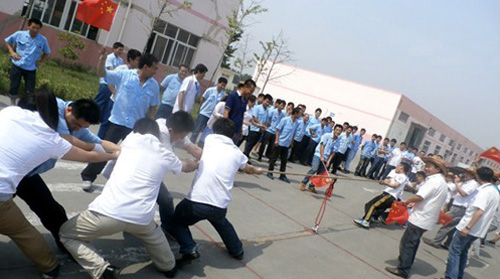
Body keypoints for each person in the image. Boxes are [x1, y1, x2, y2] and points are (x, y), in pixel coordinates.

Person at [0, 89, 119, 279]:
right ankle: (50, 267)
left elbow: (96, 141)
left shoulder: (12, 112)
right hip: (11, 176)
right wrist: (113, 156)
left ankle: (68, 244)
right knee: (22, 229)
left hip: (27, 174)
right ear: (68, 109)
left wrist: (123, 150)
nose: (77, 129)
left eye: (82, 127)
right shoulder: (52, 130)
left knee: (52, 210)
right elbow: (86, 150)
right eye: (75, 125)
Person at [60, 118, 198, 279]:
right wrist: (196, 163)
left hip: (107, 213)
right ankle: (169, 267)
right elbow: (186, 166)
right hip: (142, 219)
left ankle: (103, 270)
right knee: (154, 237)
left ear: (136, 130)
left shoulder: (129, 141)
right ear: (157, 134)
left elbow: (102, 146)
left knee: (66, 234)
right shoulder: (165, 153)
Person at [170, 118, 264, 265]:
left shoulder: (210, 139)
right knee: (221, 222)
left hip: (196, 202)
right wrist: (258, 171)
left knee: (176, 221)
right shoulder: (237, 153)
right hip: (219, 205)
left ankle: (189, 248)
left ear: (215, 130)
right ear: (233, 135)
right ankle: (237, 250)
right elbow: (248, 169)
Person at [81, 52, 161, 190]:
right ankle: (88, 176)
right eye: (154, 68)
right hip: (117, 121)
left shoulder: (154, 86)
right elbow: (102, 74)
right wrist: (102, 59)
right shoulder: (125, 75)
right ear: (146, 67)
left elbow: (153, 106)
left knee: (131, 155)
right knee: (105, 151)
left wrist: (149, 122)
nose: (156, 72)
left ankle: (122, 182)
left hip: (136, 127)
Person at [385, 157, 448, 278]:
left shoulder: (434, 181)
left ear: (438, 169)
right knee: (413, 242)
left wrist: (407, 201)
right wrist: (414, 203)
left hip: (421, 218)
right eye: (426, 165)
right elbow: (429, 199)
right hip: (426, 217)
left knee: (408, 242)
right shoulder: (441, 181)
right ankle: (406, 262)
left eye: (430, 166)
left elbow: (420, 196)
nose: (426, 168)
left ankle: (403, 269)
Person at [444, 167, 499, 279]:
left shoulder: (484, 191)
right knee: (463, 252)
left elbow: (479, 211)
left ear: (478, 176)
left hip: (469, 227)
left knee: (454, 252)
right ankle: (458, 275)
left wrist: (468, 227)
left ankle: (451, 277)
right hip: (477, 229)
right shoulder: (494, 191)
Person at [155, 111, 202, 235]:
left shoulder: (175, 129)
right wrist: (191, 164)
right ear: (171, 130)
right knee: (165, 199)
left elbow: (194, 149)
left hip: (151, 172)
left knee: (164, 199)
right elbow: (171, 161)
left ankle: (167, 227)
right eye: (182, 136)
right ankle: (168, 228)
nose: (182, 139)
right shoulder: (160, 131)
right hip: (136, 171)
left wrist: (211, 160)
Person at [423, 168, 479, 249]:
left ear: (473, 176)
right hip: (457, 206)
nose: (465, 174)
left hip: (460, 207)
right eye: (465, 172)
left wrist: (456, 183)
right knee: (452, 226)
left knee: (447, 223)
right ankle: (448, 243)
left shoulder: (473, 184)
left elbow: (464, 193)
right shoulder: (466, 182)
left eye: (468, 173)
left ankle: (436, 241)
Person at [5, 18, 50, 105]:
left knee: (30, 90)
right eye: (33, 27)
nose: (35, 30)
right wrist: (12, 52)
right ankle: (12, 104)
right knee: (14, 86)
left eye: (38, 28)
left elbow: (47, 52)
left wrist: (41, 61)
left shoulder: (43, 40)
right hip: (17, 65)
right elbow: (8, 41)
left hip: (31, 68)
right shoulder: (19, 34)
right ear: (28, 26)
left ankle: (24, 106)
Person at [353, 163, 410, 229]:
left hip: (389, 195)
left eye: (398, 166)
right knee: (370, 205)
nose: (396, 167)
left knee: (372, 205)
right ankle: (368, 218)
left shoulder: (401, 176)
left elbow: (395, 185)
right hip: (388, 195)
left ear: (401, 168)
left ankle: (366, 221)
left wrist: (386, 183)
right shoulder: (399, 176)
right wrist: (383, 182)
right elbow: (390, 182)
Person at [94, 42, 124, 139]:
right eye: (119, 49)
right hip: (106, 83)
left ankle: (101, 118)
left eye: (122, 50)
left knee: (108, 104)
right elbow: (111, 70)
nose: (121, 51)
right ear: (114, 48)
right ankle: (92, 115)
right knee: (100, 101)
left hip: (113, 84)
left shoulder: (120, 60)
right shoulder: (109, 58)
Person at [300, 124, 343, 193]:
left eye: (340, 131)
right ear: (334, 129)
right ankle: (304, 183)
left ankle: (312, 186)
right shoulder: (327, 135)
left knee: (320, 173)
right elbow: (322, 145)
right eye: (337, 130)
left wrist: (328, 161)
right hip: (318, 154)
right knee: (314, 169)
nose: (338, 132)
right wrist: (322, 156)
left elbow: (333, 152)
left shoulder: (338, 141)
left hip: (326, 158)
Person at [265, 108, 300, 183]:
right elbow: (278, 130)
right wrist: (276, 140)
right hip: (280, 142)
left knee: (284, 160)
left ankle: (282, 175)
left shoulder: (297, 123)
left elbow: (293, 133)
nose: (300, 115)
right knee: (274, 158)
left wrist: (292, 142)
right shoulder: (285, 120)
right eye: (299, 113)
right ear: (295, 113)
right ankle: (270, 172)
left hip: (287, 144)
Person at [191, 77, 227, 143]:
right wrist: (200, 108)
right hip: (204, 113)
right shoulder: (210, 90)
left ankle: (200, 144)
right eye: (222, 84)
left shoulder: (223, 95)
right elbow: (202, 99)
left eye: (224, 86)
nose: (222, 87)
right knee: (197, 129)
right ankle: (191, 142)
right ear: (218, 83)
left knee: (207, 131)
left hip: (213, 116)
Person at [224, 79, 256, 143]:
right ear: (245, 87)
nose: (251, 93)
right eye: (251, 91)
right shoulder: (233, 97)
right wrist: (224, 127)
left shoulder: (245, 100)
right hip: (229, 129)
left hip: (237, 131)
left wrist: (240, 130)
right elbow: (226, 113)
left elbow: (241, 116)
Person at [243, 94, 272, 158]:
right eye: (266, 101)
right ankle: (245, 156)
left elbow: (266, 120)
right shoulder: (257, 107)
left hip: (260, 130)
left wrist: (265, 125)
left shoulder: (267, 110)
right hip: (254, 129)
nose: (267, 104)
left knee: (253, 144)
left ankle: (246, 156)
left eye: (269, 103)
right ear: (263, 100)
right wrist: (261, 125)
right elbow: (254, 117)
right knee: (249, 144)